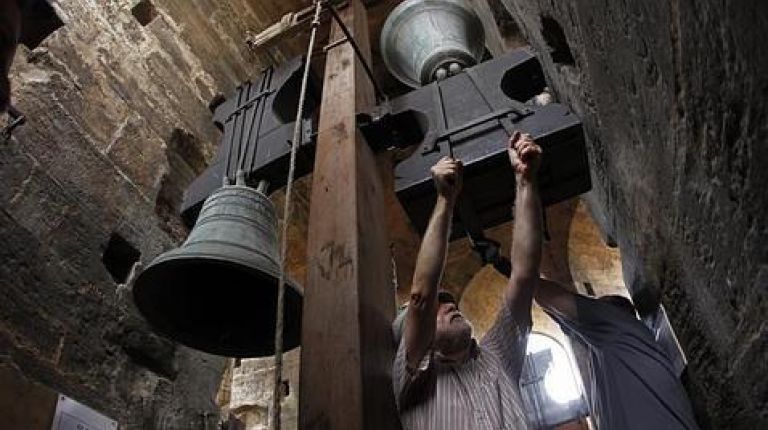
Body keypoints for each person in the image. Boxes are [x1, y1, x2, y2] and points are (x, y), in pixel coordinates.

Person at [392, 131, 543, 429]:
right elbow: (421, 297)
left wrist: (526, 182)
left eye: (447, 302)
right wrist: (445, 201)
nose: (449, 306)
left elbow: (524, 276)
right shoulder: (413, 376)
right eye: (439, 308)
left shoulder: (497, 354)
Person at [535, 278, 701, 430]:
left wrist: (524, 278)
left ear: (608, 310)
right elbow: (563, 318)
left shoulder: (617, 326)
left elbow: (554, 300)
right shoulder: (607, 355)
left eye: (596, 305)